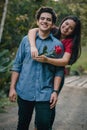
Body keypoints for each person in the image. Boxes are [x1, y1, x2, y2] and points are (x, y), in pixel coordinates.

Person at [9, 7, 64, 130]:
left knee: (44, 126)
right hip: (24, 91)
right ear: (38, 21)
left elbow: (59, 70)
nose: (45, 21)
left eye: (48, 19)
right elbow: (17, 64)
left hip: (45, 93)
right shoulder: (26, 41)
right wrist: (12, 87)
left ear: (52, 24)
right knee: (22, 125)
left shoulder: (57, 45)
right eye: (42, 18)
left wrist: (55, 91)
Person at [28, 15, 81, 130]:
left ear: (73, 32)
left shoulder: (70, 42)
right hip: (43, 72)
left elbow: (64, 61)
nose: (66, 28)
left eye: (71, 28)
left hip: (57, 75)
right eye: (66, 23)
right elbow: (32, 31)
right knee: (39, 100)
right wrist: (33, 46)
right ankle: (39, 125)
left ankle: (45, 126)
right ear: (62, 22)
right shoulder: (53, 29)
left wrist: (47, 60)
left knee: (50, 103)